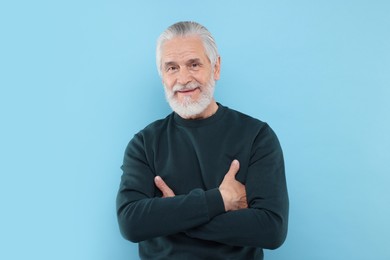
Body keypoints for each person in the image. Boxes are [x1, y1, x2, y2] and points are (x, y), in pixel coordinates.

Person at [116, 21, 289, 260]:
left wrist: (173, 215)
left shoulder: (257, 136)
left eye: (194, 64)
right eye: (172, 68)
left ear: (215, 67)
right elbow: (131, 223)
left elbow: (271, 229)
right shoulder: (144, 144)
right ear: (162, 75)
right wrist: (220, 199)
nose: (183, 78)